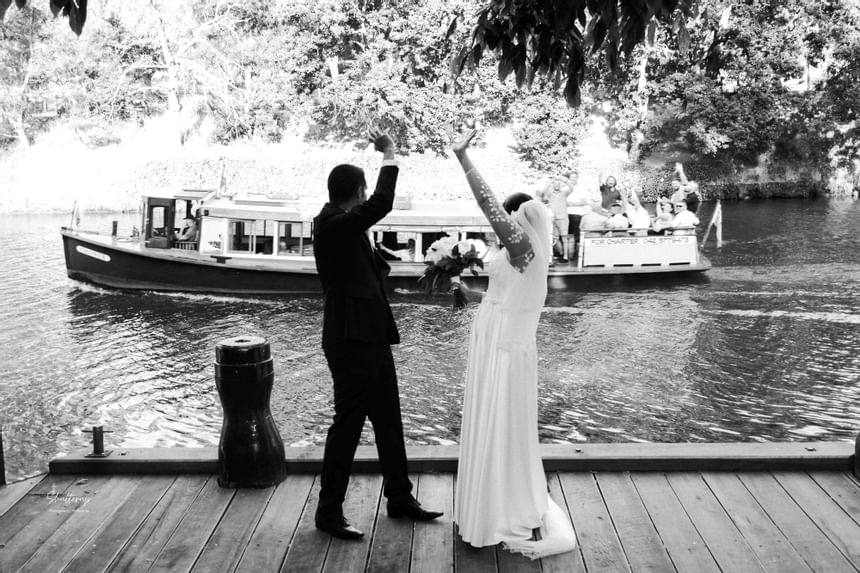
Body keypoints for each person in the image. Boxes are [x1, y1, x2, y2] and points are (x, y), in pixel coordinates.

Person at [449, 126, 576, 559]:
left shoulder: (529, 251)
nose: (502, 230)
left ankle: (498, 508)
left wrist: (464, 157)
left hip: (505, 352)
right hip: (493, 343)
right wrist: (472, 296)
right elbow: (503, 296)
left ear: (519, 221)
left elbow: (488, 205)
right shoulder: (518, 258)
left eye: (508, 223)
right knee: (491, 421)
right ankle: (489, 498)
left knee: (501, 425)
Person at [312, 128, 442, 541]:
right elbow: (382, 203)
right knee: (347, 427)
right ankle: (328, 512)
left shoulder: (342, 226)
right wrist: (390, 152)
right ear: (358, 191)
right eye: (365, 192)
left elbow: (361, 271)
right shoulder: (333, 223)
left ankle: (400, 498)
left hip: (369, 335)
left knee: (389, 420)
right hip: (350, 341)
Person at [537, 176, 573, 263]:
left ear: (560, 185)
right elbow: (543, 191)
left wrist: (564, 180)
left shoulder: (564, 193)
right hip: (553, 219)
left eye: (558, 184)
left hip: (563, 218)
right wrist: (550, 181)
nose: (557, 185)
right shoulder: (550, 194)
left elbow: (571, 188)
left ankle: (565, 256)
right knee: (554, 238)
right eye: (555, 184)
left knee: (564, 237)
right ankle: (559, 253)